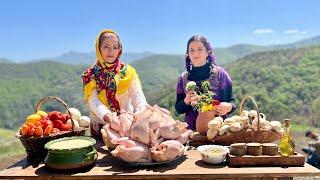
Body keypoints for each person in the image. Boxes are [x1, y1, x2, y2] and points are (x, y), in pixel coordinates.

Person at [82, 29, 147, 139]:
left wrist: (143, 113)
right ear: (99, 48)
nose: (111, 51)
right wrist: (109, 118)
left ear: (119, 50)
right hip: (100, 126)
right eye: (106, 46)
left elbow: (137, 96)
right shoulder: (90, 75)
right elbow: (93, 100)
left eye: (115, 47)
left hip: (126, 125)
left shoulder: (128, 71)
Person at [175, 35, 236, 130]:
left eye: (199, 49)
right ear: (188, 54)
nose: (195, 53)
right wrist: (186, 101)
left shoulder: (220, 75)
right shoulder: (183, 78)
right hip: (192, 133)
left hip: (218, 131)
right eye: (192, 50)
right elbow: (179, 109)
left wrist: (228, 107)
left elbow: (232, 103)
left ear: (208, 52)